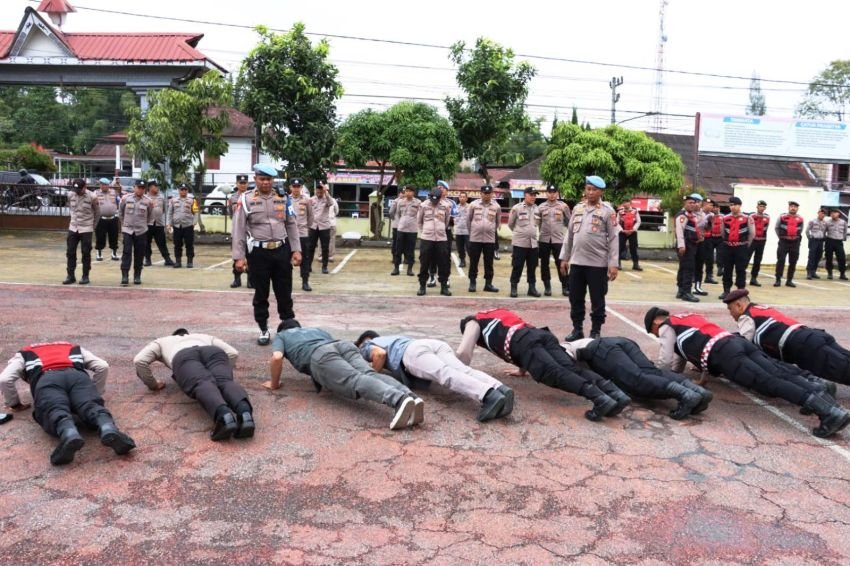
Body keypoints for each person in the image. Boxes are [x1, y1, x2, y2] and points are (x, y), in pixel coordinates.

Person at [646, 306, 850, 437]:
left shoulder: (666, 327)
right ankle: (827, 401)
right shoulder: (688, 318)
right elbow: (682, 357)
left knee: (770, 382)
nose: (657, 336)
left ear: (655, 322)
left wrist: (661, 379)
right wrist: (690, 375)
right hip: (736, 342)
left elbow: (666, 360)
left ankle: (828, 412)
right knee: (778, 372)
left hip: (725, 354)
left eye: (654, 333)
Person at [457, 309, 631, 421]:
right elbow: (515, 333)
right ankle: (615, 393)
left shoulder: (473, 322)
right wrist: (522, 369)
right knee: (572, 368)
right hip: (539, 334)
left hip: (523, 342)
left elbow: (464, 352)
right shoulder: (494, 314)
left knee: (554, 373)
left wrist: (457, 371)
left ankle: (599, 399)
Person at [266, 320, 423, 430]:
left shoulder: (282, 335)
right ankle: (411, 397)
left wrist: (274, 384)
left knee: (354, 380)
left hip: (319, 354)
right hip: (343, 345)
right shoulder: (315, 330)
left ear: (281, 330)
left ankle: (398, 400)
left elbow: (277, 358)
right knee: (369, 373)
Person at [0, 342, 135, 465]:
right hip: (77, 376)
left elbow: (5, 379)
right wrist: (95, 393)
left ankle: (68, 432)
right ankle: (107, 427)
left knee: (54, 409)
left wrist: (15, 404)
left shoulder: (24, 353)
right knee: (91, 406)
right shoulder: (71, 346)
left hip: (47, 378)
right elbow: (102, 366)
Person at [355, 331, 513, 422]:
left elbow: (380, 355)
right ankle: (500, 389)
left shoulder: (366, 346)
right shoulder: (388, 338)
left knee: (445, 374)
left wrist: (373, 373)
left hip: (411, 353)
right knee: (463, 370)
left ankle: (488, 396)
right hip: (431, 344)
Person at [134, 329, 254, 440]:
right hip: (213, 352)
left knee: (202, 383)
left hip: (183, 356)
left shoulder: (161, 341)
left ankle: (224, 418)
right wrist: (224, 372)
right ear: (188, 334)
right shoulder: (203, 336)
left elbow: (139, 361)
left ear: (173, 335)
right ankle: (245, 415)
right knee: (225, 381)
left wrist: (153, 385)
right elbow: (233, 353)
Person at [231, 163, 303, 345]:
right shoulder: (246, 199)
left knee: (284, 291)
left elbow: (291, 224)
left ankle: (289, 327)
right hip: (258, 253)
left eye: (269, 179)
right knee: (261, 293)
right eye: (262, 179)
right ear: (255, 179)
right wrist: (238, 257)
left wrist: (296, 249)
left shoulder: (283, 197)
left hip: (281, 251)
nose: (265, 182)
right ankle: (263, 328)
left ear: (273, 180)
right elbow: (238, 229)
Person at [562, 336, 712, 419]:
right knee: (652, 373)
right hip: (619, 342)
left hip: (600, 348)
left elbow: (566, 354)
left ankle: (685, 394)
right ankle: (697, 390)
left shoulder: (560, 349)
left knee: (636, 380)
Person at [724, 288, 850, 386]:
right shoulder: (761, 308)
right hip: (814, 335)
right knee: (845, 359)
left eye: (730, 309)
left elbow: (743, 342)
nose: (730, 313)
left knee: (842, 370)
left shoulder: (746, 317)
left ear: (739, 305)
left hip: (802, 345)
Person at [560, 176, 620, 340]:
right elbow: (569, 235)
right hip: (577, 262)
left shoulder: (608, 211)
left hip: (597, 264)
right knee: (575, 298)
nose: (591, 192)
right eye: (588, 189)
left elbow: (614, 238)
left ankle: (595, 331)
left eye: (594, 190)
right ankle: (577, 329)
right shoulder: (578, 209)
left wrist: (613, 264)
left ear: (601, 192)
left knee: (597, 299)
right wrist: (564, 258)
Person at [63, 179, 99, 286]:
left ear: (85, 187)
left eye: (79, 189)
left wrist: (92, 226)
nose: (77, 192)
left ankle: (85, 276)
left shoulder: (92, 197)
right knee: (70, 252)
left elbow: (97, 213)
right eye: (76, 190)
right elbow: (71, 208)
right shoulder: (71, 195)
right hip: (73, 227)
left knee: (86, 252)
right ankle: (70, 276)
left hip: (86, 228)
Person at [417, 187, 452, 296]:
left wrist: (440, 229)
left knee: (443, 263)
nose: (434, 202)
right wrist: (426, 231)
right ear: (430, 197)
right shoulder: (423, 205)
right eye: (433, 199)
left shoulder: (446, 206)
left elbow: (446, 221)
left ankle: (444, 287)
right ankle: (422, 286)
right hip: (427, 238)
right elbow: (419, 221)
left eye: (436, 199)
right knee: (424, 262)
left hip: (441, 238)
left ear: (440, 197)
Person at [118, 179, 154, 286]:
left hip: (141, 231)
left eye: (143, 188)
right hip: (128, 230)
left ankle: (137, 275)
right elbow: (121, 213)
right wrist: (124, 224)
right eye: (139, 187)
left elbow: (150, 216)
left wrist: (144, 226)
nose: (141, 190)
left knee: (139, 253)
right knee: (126, 252)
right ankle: (125, 276)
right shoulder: (125, 198)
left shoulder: (148, 201)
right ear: (134, 188)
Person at [719, 196, 755, 300]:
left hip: (741, 247)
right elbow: (722, 233)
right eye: (731, 205)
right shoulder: (725, 218)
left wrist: (745, 245)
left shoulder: (747, 218)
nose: (733, 207)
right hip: (728, 247)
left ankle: (741, 291)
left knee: (741, 270)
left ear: (740, 206)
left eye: (735, 205)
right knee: (727, 270)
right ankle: (726, 290)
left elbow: (752, 233)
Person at [508, 187, 542, 297]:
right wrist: (520, 233)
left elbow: (538, 224)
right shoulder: (517, 208)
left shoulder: (537, 209)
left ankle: (531, 288)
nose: (533, 197)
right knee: (517, 266)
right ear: (525, 195)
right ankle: (514, 287)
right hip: (520, 243)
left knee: (532, 267)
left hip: (533, 243)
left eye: (535, 195)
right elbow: (510, 224)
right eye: (531, 195)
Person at [466, 185, 501, 293]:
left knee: (489, 262)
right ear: (480, 194)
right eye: (485, 193)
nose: (487, 195)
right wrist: (473, 232)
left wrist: (490, 230)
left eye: (489, 193)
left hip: (489, 239)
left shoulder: (496, 206)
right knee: (474, 261)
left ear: (492, 194)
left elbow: (497, 222)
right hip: (475, 238)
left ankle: (488, 284)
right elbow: (468, 220)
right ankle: (472, 283)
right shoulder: (473, 205)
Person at [538, 184, 570, 296]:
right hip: (544, 239)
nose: (552, 195)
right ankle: (547, 287)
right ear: (546, 193)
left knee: (561, 263)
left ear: (557, 193)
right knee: (544, 264)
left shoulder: (563, 206)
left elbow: (569, 222)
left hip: (558, 240)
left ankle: (565, 286)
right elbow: (538, 223)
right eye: (549, 192)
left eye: (554, 192)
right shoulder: (541, 207)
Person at [673, 193, 703, 303]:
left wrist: (698, 237)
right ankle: (686, 292)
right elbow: (679, 231)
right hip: (686, 245)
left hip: (692, 244)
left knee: (683, 268)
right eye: (690, 203)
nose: (692, 205)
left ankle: (681, 290)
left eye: (694, 203)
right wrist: (681, 245)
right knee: (688, 268)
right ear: (684, 204)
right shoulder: (682, 216)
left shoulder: (692, 215)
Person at [288, 178, 315, 291]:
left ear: (301, 187)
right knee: (286, 259)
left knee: (304, 259)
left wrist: (305, 227)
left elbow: (311, 217)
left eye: (298, 186)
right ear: (290, 187)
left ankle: (305, 282)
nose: (296, 188)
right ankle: (287, 282)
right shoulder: (286, 199)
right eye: (294, 186)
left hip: (302, 233)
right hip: (289, 235)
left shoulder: (306, 199)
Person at [228, 174, 253, 289]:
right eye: (240, 183)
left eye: (244, 183)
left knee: (251, 257)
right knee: (237, 256)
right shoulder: (232, 198)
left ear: (247, 184)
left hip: (250, 232)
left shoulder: (251, 197)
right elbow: (231, 214)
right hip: (237, 232)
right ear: (237, 184)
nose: (243, 185)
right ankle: (237, 279)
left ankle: (250, 280)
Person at [391, 185, 420, 277]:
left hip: (412, 229)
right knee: (398, 249)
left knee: (410, 250)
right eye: (406, 191)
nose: (408, 193)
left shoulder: (418, 202)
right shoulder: (400, 202)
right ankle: (396, 268)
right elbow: (399, 214)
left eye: (410, 191)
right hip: (401, 228)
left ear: (413, 193)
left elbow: (419, 215)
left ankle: (410, 269)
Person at [143, 180, 174, 267]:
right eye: (155, 186)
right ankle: (148, 259)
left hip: (159, 223)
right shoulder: (145, 197)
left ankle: (167, 259)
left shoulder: (161, 197)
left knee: (162, 242)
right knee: (146, 242)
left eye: (157, 186)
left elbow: (164, 210)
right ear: (150, 187)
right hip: (147, 223)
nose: (157, 188)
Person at [774, 200, 804, 287]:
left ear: (797, 209)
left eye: (795, 207)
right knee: (781, 261)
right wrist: (781, 237)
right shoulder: (782, 217)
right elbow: (776, 228)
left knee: (793, 261)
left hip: (795, 243)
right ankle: (778, 279)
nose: (793, 208)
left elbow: (801, 229)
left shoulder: (800, 219)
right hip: (784, 242)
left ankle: (789, 280)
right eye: (791, 206)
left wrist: (795, 237)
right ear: (788, 207)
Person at [166, 183, 197, 268]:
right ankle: (178, 261)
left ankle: (189, 261)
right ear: (178, 190)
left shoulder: (192, 200)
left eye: (185, 189)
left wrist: (194, 223)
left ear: (187, 191)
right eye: (181, 189)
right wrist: (168, 224)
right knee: (177, 244)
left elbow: (196, 212)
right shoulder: (173, 200)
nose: (183, 191)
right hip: (177, 226)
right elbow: (170, 213)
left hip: (188, 225)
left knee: (189, 244)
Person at [308, 180, 334, 275]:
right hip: (313, 226)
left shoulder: (327, 199)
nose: (319, 192)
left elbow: (331, 203)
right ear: (315, 191)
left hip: (324, 227)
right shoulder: (311, 200)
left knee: (325, 248)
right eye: (317, 190)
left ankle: (324, 267)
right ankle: (308, 266)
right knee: (310, 247)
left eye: (321, 190)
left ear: (323, 191)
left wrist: (326, 192)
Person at [94, 177, 120, 262]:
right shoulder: (95, 193)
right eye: (102, 184)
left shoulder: (114, 192)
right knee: (100, 237)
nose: (103, 186)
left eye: (105, 184)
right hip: (101, 219)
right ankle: (99, 253)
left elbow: (119, 202)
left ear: (108, 185)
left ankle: (114, 253)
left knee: (114, 236)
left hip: (113, 218)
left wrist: (117, 213)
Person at [694, 198, 717, 289]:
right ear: (704, 205)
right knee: (697, 259)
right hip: (698, 238)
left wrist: (710, 222)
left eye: (712, 205)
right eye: (709, 205)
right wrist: (705, 219)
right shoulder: (698, 213)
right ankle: (694, 276)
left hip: (708, 238)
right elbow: (697, 225)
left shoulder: (712, 215)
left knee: (710, 258)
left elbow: (710, 227)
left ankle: (709, 276)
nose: (711, 207)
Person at [748, 200, 770, 286]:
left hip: (761, 240)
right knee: (746, 258)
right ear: (757, 207)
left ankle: (754, 278)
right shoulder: (752, 216)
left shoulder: (767, 217)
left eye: (763, 207)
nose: (762, 208)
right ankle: (741, 276)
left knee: (758, 260)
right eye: (760, 206)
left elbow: (766, 228)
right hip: (752, 240)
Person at [617, 199, 642, 271]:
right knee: (619, 247)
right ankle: (618, 264)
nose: (625, 204)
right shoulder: (620, 212)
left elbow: (638, 221)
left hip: (632, 232)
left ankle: (636, 264)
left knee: (633, 248)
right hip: (622, 232)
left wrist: (633, 229)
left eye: (627, 202)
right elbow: (617, 222)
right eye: (624, 202)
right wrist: (621, 230)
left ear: (630, 203)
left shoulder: (635, 211)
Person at [825, 208, 848, 280]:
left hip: (839, 242)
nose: (833, 214)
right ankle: (830, 273)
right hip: (830, 241)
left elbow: (845, 231)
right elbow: (824, 231)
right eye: (831, 213)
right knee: (829, 257)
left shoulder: (843, 222)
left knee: (841, 258)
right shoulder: (827, 222)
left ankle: (842, 274)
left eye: (834, 213)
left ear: (838, 214)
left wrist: (843, 238)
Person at [805, 208, 828, 280]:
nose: (822, 214)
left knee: (818, 256)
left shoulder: (825, 223)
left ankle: (813, 271)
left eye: (824, 213)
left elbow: (825, 232)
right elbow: (807, 230)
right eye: (821, 213)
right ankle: (809, 272)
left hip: (821, 241)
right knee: (811, 256)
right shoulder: (812, 221)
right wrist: (810, 238)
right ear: (818, 213)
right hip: (814, 240)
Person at [454, 192, 470, 268]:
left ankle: (473, 260)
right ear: (459, 198)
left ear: (467, 198)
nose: (462, 198)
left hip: (467, 231)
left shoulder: (470, 207)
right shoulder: (455, 207)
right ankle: (462, 260)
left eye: (464, 197)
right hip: (458, 231)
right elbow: (453, 218)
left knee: (469, 247)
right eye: (461, 197)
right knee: (460, 248)